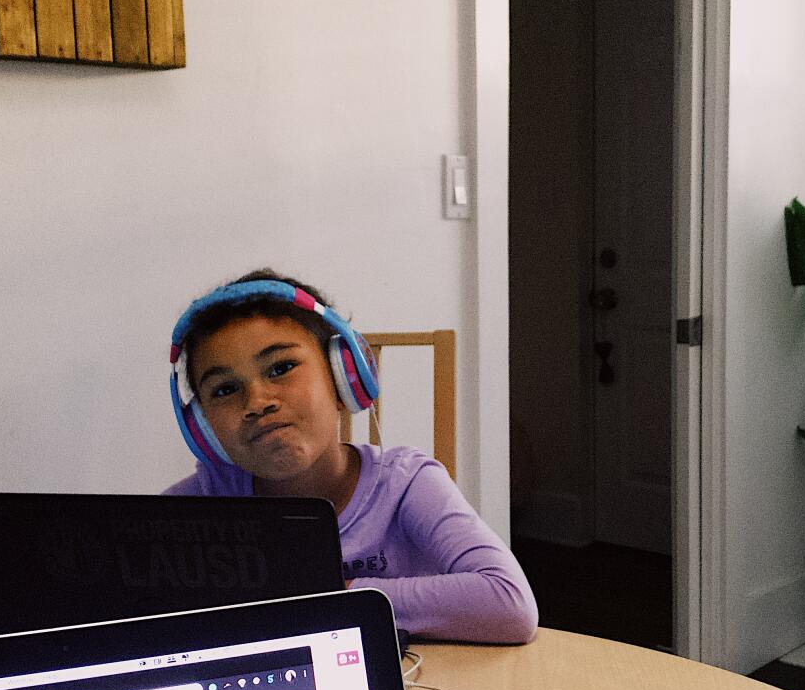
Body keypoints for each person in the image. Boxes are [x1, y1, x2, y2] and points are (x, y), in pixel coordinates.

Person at [164, 269, 538, 644]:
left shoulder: (406, 484)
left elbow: (510, 603)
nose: (258, 402)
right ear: (203, 426)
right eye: (225, 389)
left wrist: (334, 595)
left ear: (345, 380)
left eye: (281, 368)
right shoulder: (201, 505)